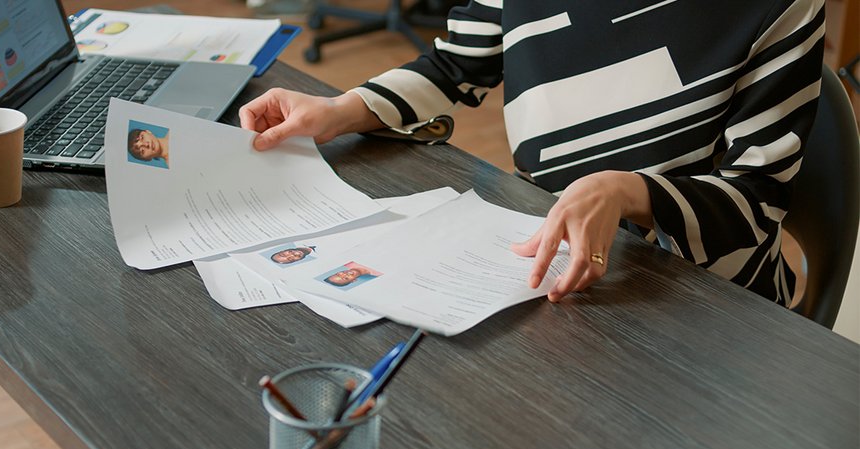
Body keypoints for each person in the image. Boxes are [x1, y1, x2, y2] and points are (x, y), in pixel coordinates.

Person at [239, 0, 824, 306]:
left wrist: (627, 191)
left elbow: (756, 199)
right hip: (544, 265)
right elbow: (451, 67)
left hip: (703, 298)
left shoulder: (779, 4)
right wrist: (340, 110)